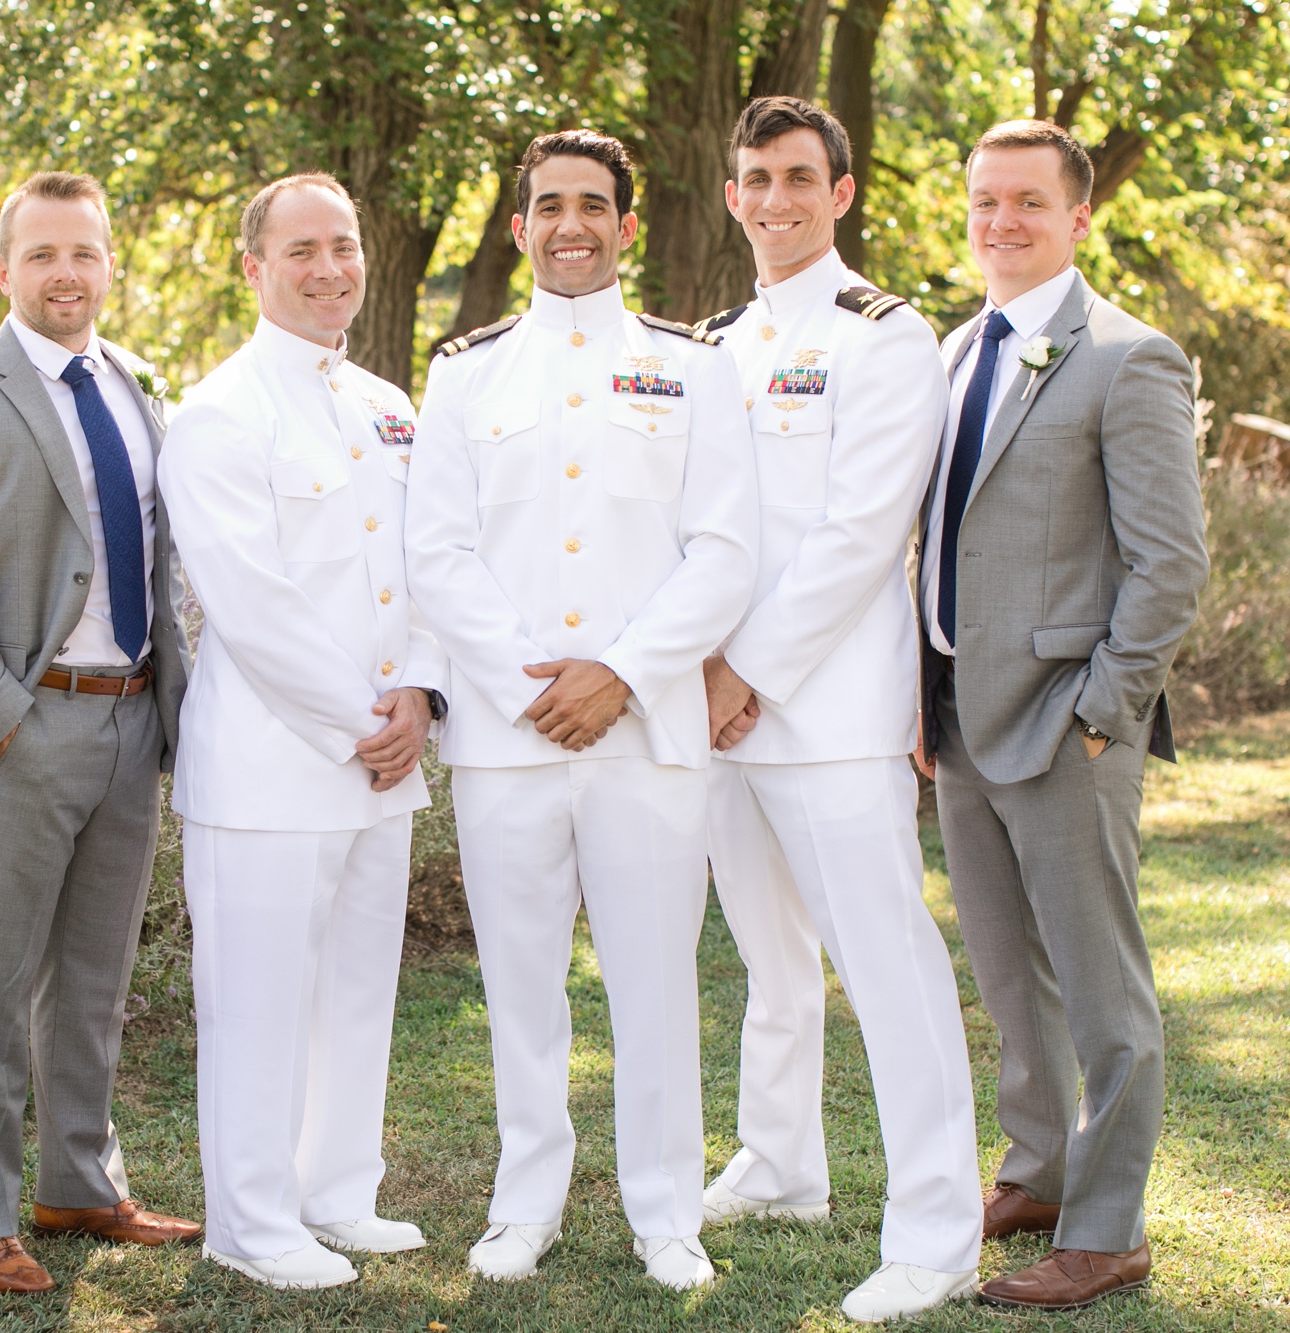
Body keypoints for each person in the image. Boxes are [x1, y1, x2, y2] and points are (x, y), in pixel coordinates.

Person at [405, 130, 758, 1292]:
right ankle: (525, 1203)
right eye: (549, 205)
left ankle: (666, 1214)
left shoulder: (691, 367)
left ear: (627, 225)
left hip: (644, 734)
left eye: (592, 205)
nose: (571, 223)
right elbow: (437, 552)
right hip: (510, 741)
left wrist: (621, 672)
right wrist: (529, 681)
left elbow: (722, 552)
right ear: (519, 229)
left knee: (655, 977)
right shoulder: (464, 373)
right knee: (519, 983)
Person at [690, 96, 980, 1324]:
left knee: (887, 963)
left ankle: (933, 1229)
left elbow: (863, 532)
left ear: (840, 191)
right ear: (730, 195)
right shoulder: (709, 340)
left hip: (823, 708)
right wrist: (696, 670)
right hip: (711, 706)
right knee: (767, 953)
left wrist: (744, 668)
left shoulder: (884, 335)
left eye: (798, 177)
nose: (774, 198)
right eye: (754, 177)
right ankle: (779, 1164)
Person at [916, 119, 1208, 1311]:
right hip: (953, 720)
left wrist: (1101, 711)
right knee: (1005, 976)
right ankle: (1034, 1172)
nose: (1000, 223)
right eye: (985, 201)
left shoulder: (1127, 359)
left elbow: (1169, 564)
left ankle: (1104, 1227)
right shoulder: (948, 350)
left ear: (1076, 216)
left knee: (1102, 993)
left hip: (1063, 721)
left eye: (1027, 203)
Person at [0, 170, 200, 1295]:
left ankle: (78, 1179)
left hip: (132, 726)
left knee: (94, 978)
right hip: (30, 729)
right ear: (3, 269)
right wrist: (0, 723)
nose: (66, 272)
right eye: (42, 254)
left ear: (110, 263)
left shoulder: (139, 385)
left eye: (85, 252)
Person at [157, 174, 445, 1291]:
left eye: (344, 244)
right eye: (302, 251)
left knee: (355, 988)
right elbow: (251, 600)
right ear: (253, 269)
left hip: (384, 760)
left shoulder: (386, 402)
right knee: (259, 1001)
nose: (329, 268)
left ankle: (337, 1191)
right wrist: (362, 719)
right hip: (275, 766)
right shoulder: (219, 411)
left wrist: (419, 691)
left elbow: (424, 562)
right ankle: (252, 1221)